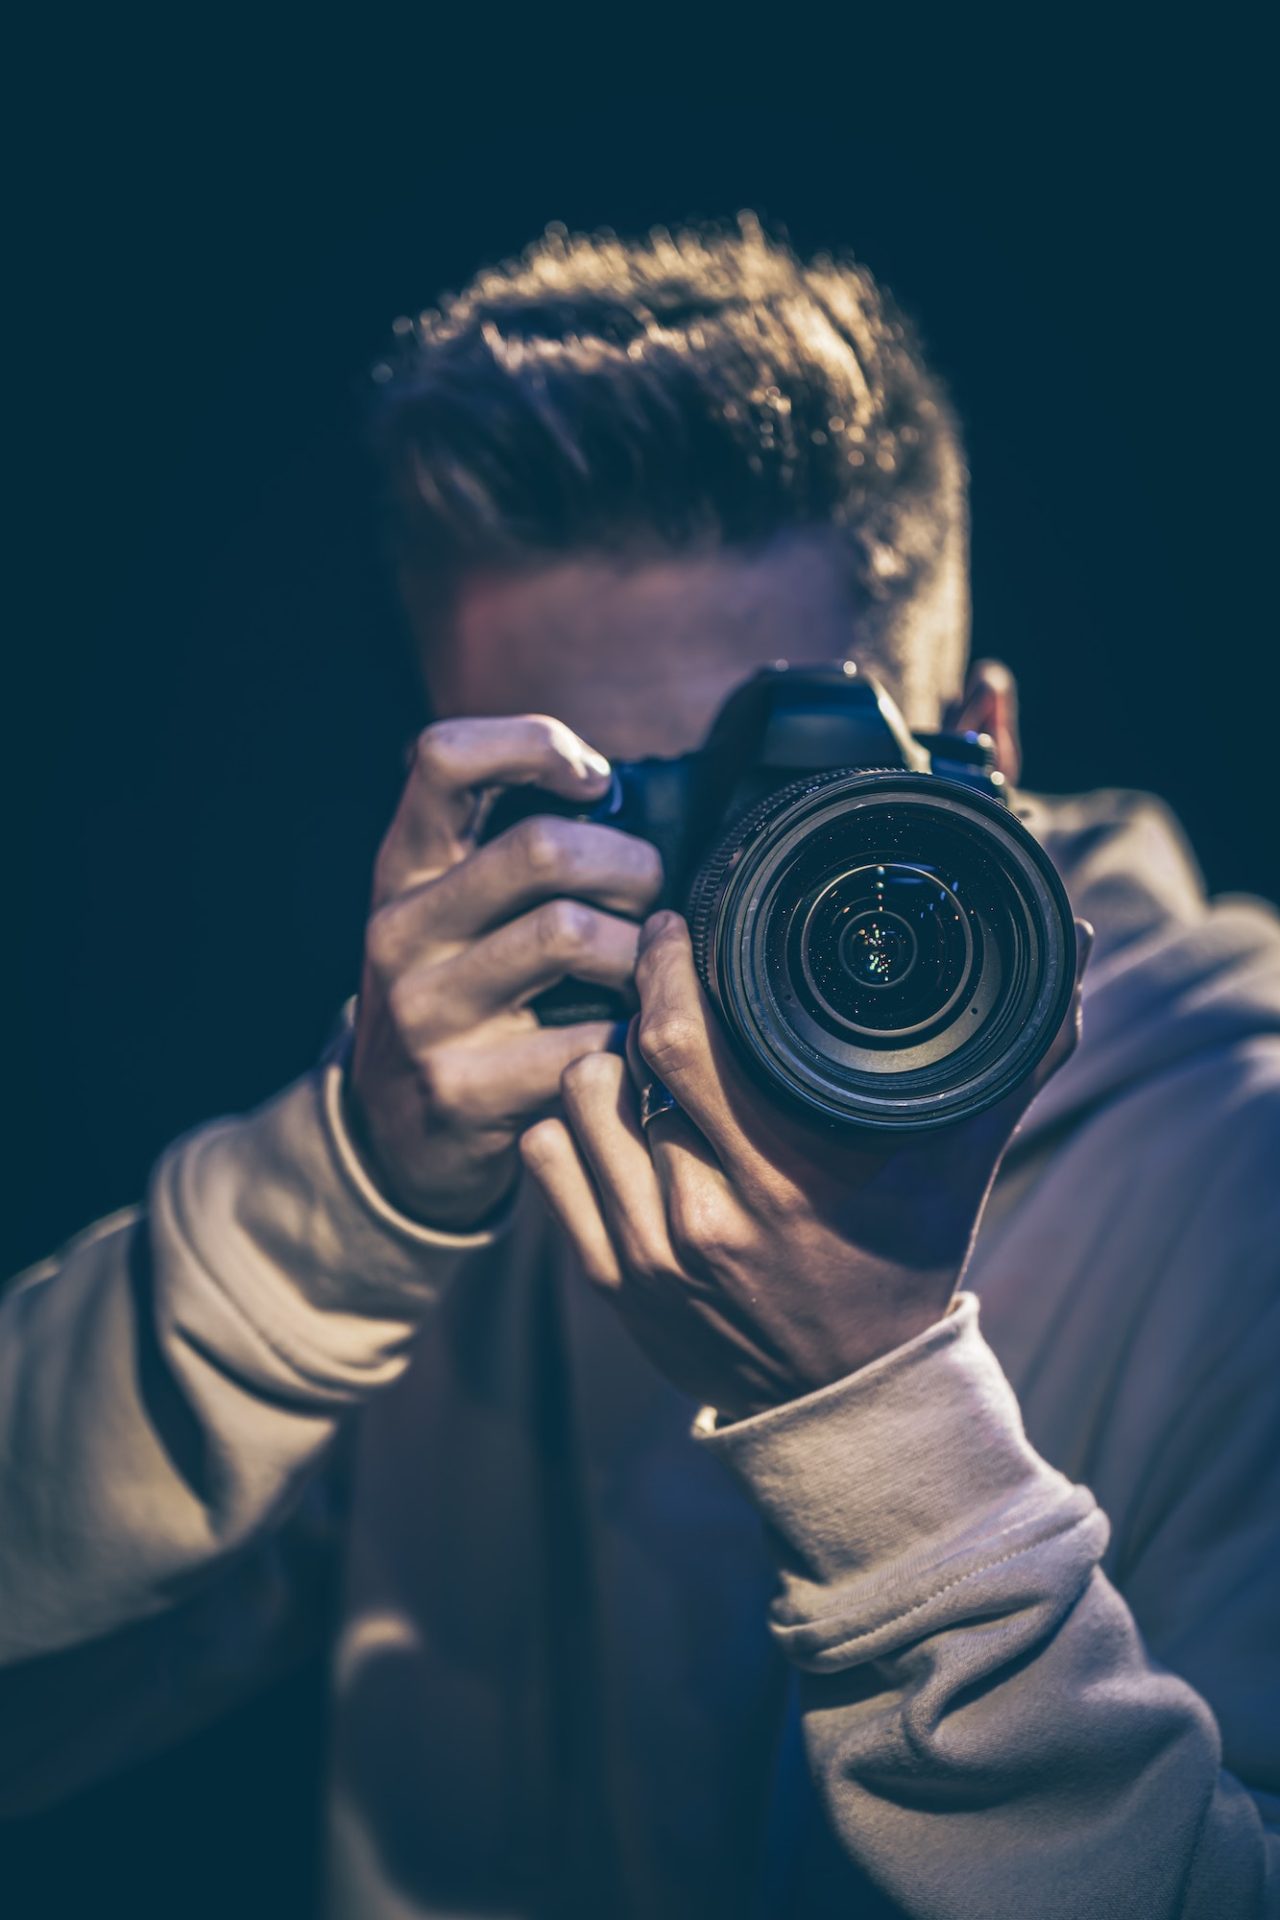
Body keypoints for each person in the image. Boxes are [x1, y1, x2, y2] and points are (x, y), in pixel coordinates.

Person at [2, 217, 1277, 1919]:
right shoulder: (477, 1158)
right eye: (601, 819)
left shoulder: (1243, 1189)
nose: (702, 918)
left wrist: (886, 1415)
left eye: (775, 800)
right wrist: (341, 1201)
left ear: (982, 752)